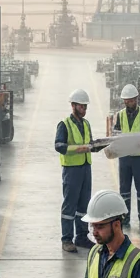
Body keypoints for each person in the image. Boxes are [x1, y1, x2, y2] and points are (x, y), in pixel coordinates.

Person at [56, 87, 94, 253]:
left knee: (83, 205)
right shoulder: (64, 124)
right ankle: (66, 239)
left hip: (86, 168)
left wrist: (98, 145)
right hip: (72, 170)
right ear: (73, 106)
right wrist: (75, 149)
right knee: (70, 206)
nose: (84, 109)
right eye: (81, 106)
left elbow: (90, 143)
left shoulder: (86, 124)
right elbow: (58, 145)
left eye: (85, 107)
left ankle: (81, 237)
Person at [113, 84, 140, 231]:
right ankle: (125, 218)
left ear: (136, 99)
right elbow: (116, 133)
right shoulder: (121, 115)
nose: (128, 103)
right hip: (124, 158)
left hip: (139, 158)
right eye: (126, 101)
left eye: (130, 100)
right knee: (124, 190)